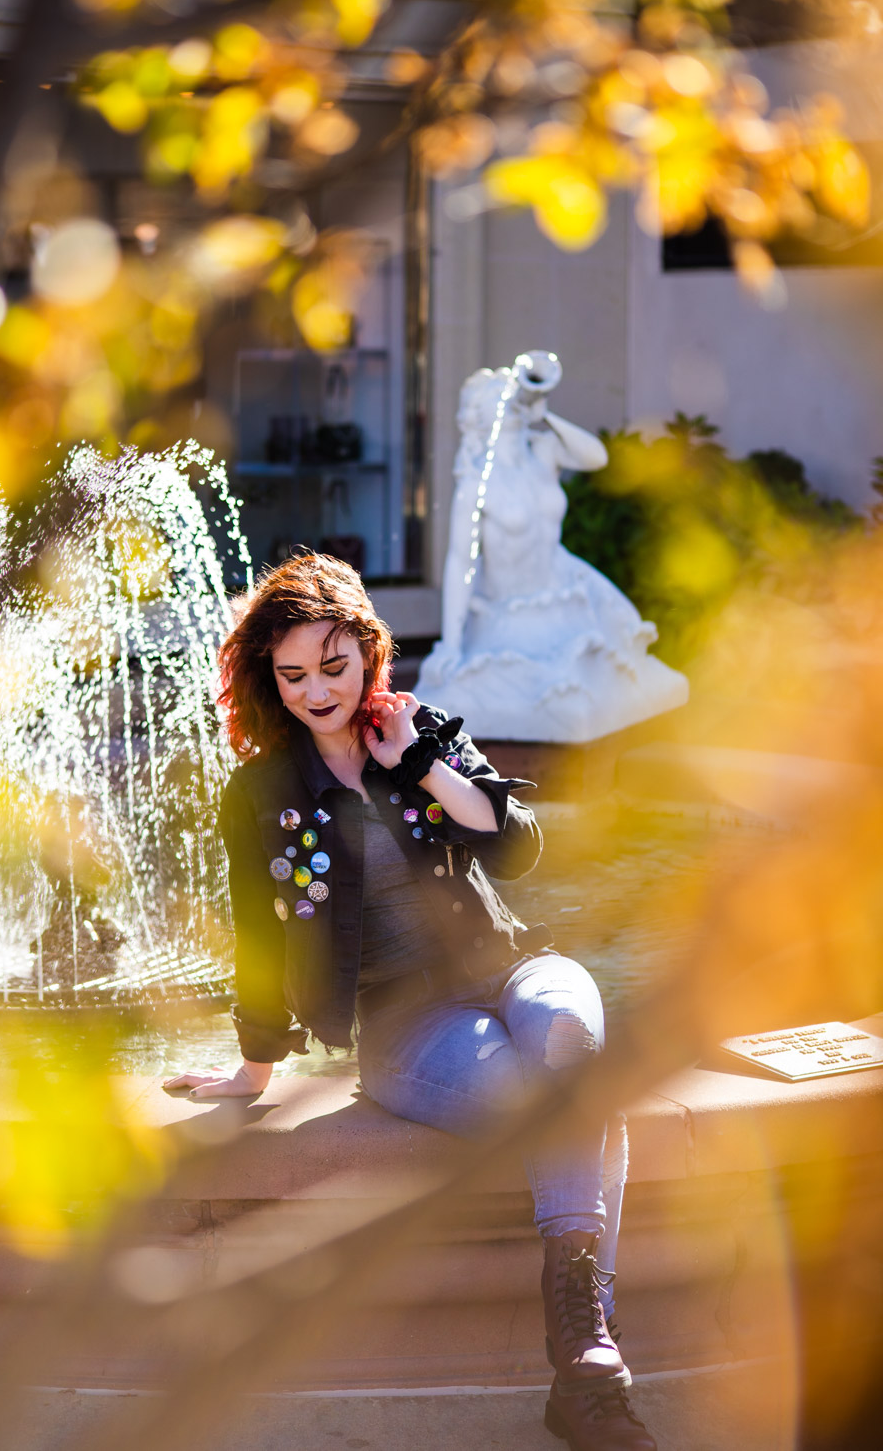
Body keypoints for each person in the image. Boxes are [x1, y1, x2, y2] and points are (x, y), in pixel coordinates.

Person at [163, 552, 655, 1451]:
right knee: (555, 1097)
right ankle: (589, 1362)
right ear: (271, 679)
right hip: (405, 1024)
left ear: (370, 652)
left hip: (511, 965)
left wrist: (421, 761)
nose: (318, 691)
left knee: (570, 1037)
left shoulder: (417, 735)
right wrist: (253, 1066)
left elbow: (519, 852)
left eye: (335, 666)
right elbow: (257, 938)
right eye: (295, 674)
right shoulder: (265, 793)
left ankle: (584, 1344)